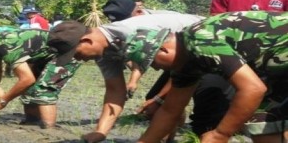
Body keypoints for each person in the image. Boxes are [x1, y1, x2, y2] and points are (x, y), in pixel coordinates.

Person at [47, 12, 203, 143]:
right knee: (161, 110)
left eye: (77, 54)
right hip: (181, 62)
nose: (80, 60)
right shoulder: (104, 52)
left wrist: (159, 99)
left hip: (207, 48)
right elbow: (115, 91)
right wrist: (100, 132)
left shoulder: (135, 34)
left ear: (87, 40)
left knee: (206, 116)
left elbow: (184, 68)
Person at [134, 11, 288, 143]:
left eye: (153, 63)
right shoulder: (186, 65)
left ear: (163, 49)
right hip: (277, 68)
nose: (156, 68)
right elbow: (170, 111)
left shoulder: (199, 39)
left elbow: (253, 89)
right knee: (261, 122)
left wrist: (220, 134)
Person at [0, 29, 81, 129]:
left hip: (66, 53)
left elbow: (27, 79)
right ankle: (32, 123)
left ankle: (49, 131)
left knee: (44, 90)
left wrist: (3, 100)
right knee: (28, 89)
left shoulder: (7, 48)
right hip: (43, 57)